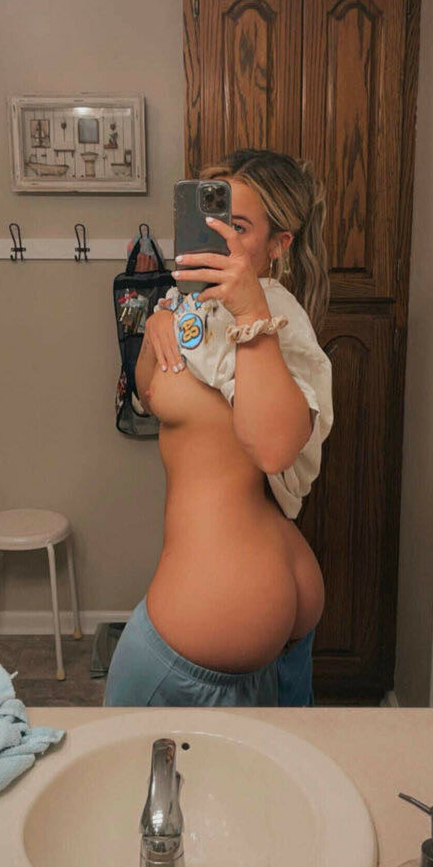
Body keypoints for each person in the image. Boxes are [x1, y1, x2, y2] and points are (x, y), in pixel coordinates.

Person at [104, 149, 333, 707]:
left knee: (117, 757)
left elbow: (276, 449)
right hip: (255, 602)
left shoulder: (275, 318)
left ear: (278, 245)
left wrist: (252, 315)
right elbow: (147, 393)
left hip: (215, 615)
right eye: (213, 222)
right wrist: (157, 326)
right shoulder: (191, 307)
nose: (220, 238)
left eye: (239, 227)